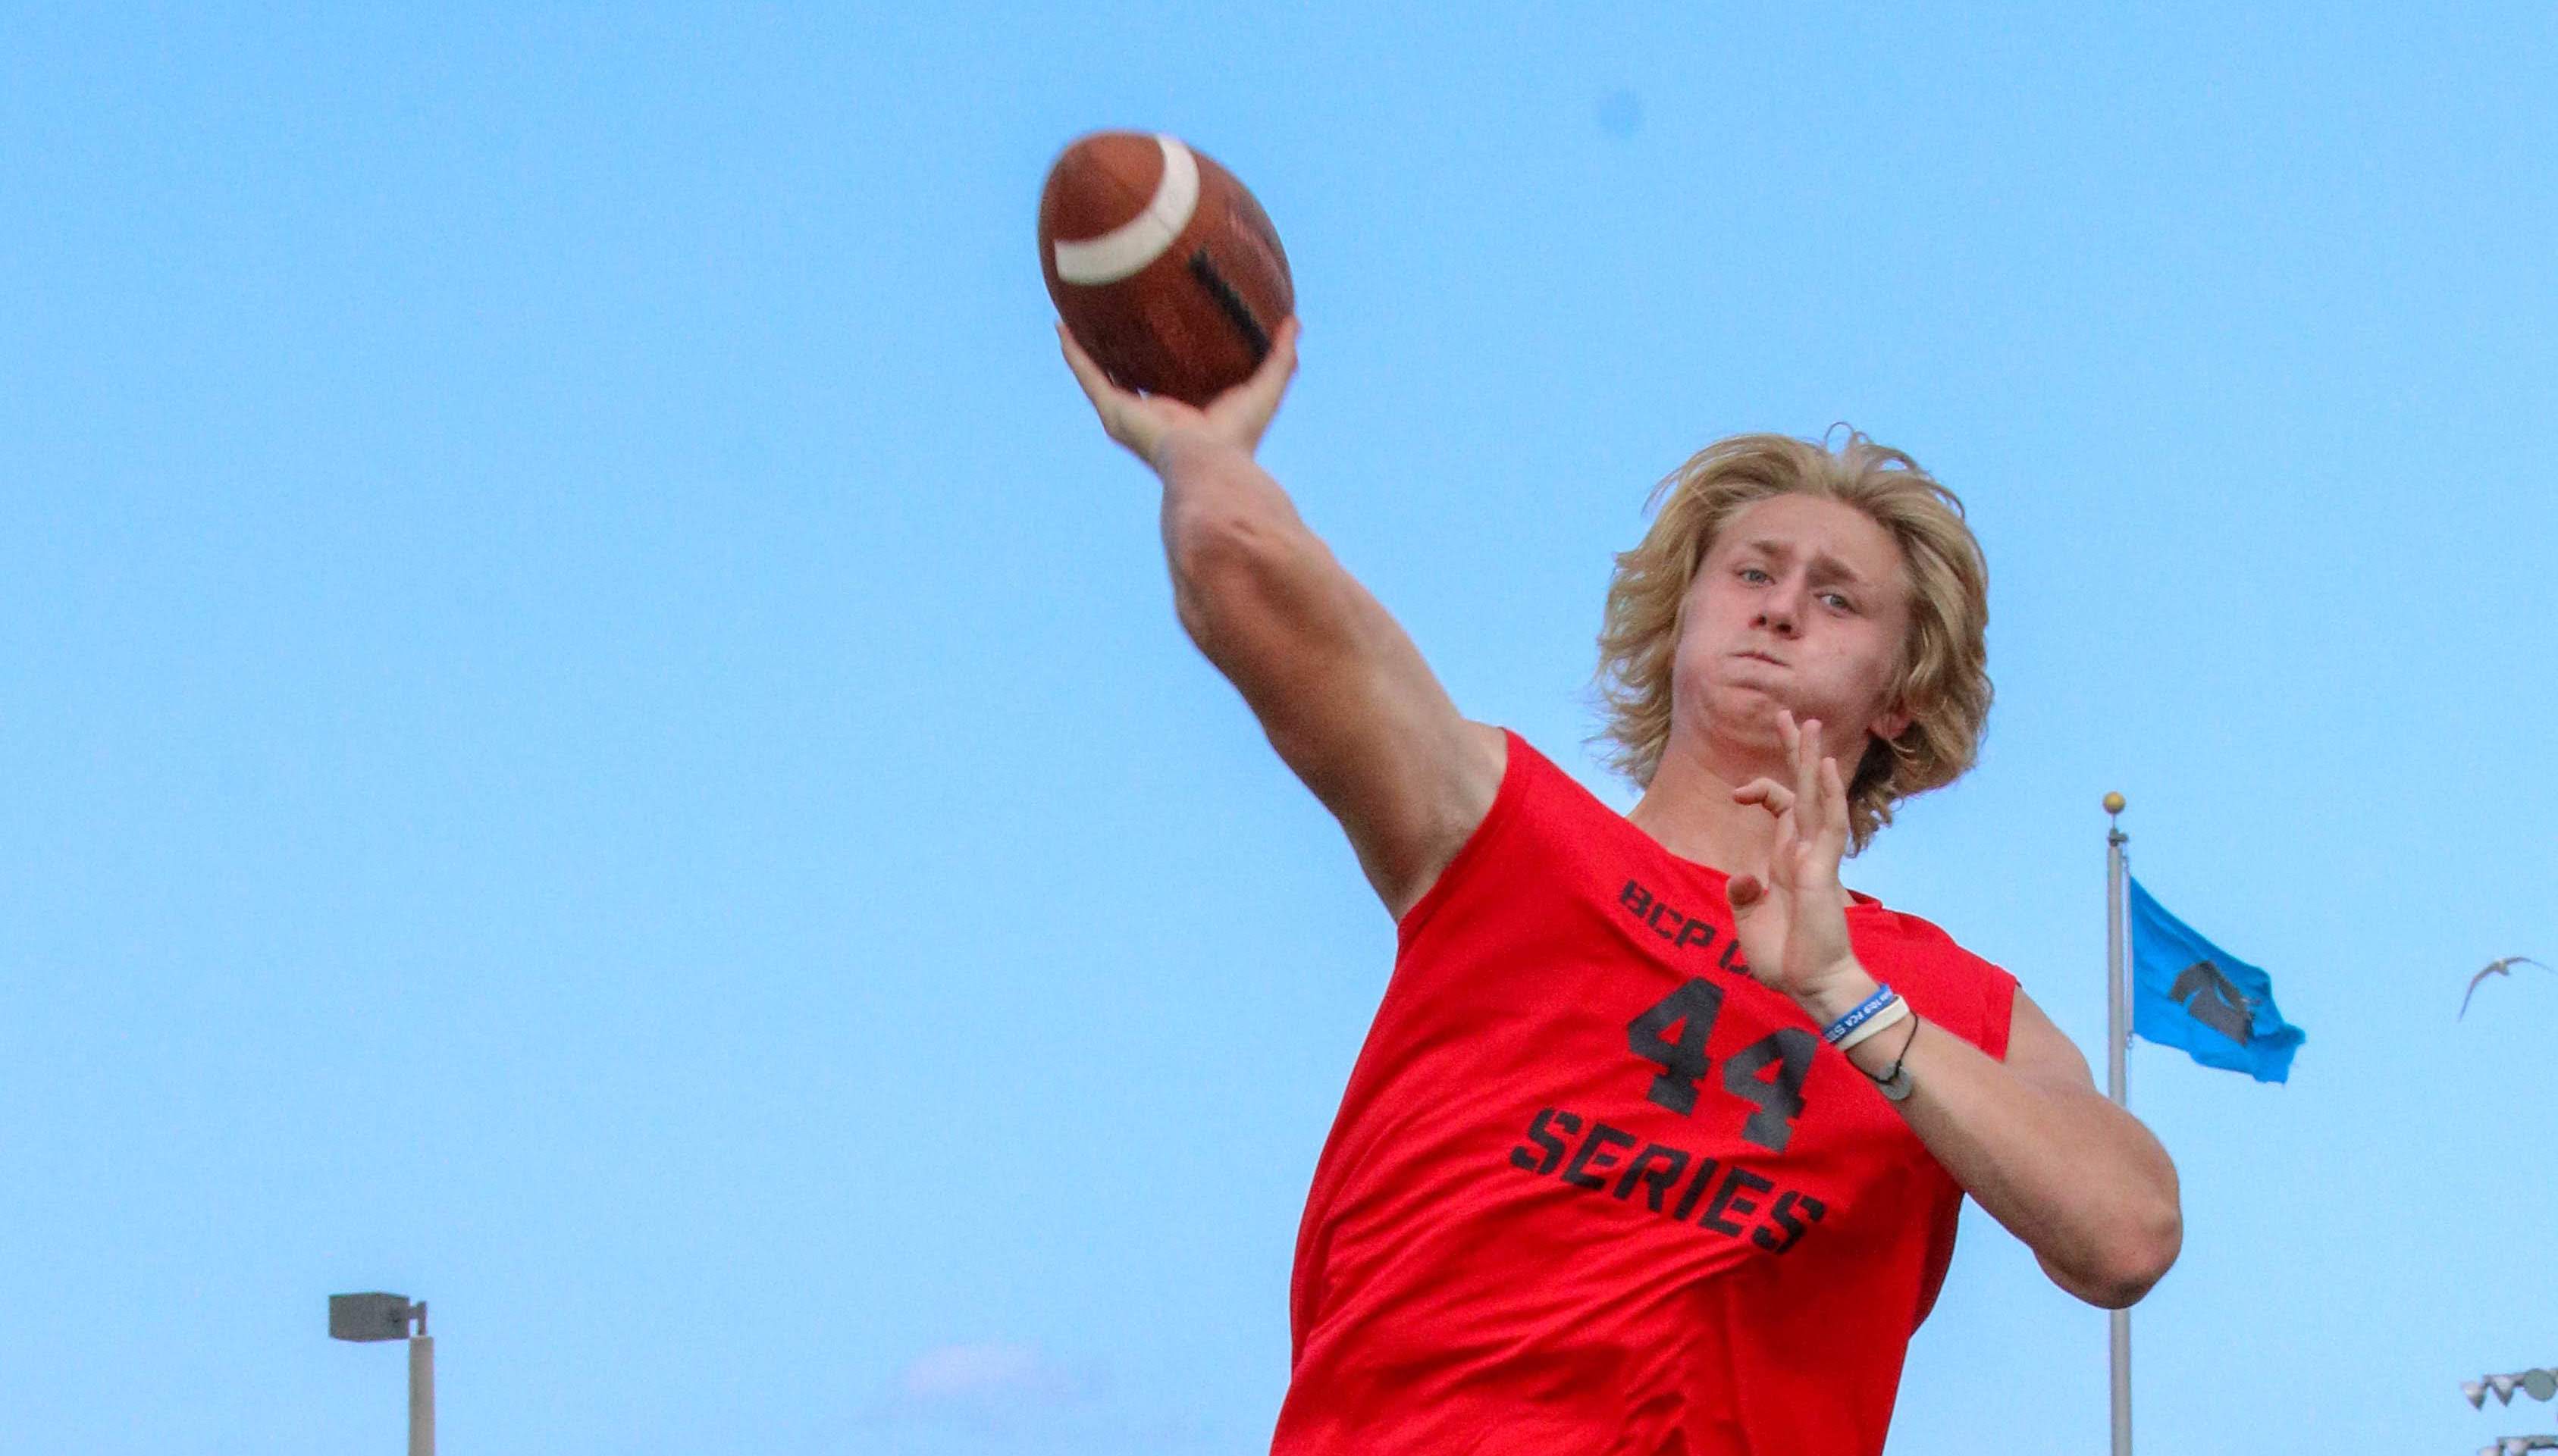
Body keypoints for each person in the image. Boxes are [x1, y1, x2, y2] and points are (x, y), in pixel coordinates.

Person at [1058, 318, 2181, 1456]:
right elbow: (1241, 573)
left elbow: (2126, 1234)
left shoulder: (1951, 1004)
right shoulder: (1502, 831)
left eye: (1838, 599)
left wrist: (1845, 996)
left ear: (1901, 697)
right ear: (1682, 616)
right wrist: (1202, 452)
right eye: (1751, 572)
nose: (1780, 607)